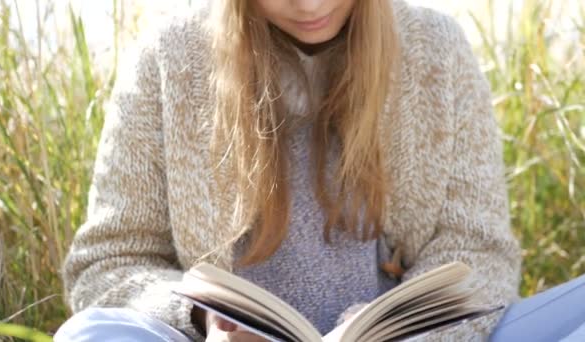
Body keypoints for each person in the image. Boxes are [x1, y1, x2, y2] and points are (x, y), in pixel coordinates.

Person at [54, 0, 585, 341]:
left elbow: (479, 250)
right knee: (92, 334)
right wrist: (199, 317)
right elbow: (108, 264)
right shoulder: (168, 59)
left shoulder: (436, 49)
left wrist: (413, 338)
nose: (309, 4)